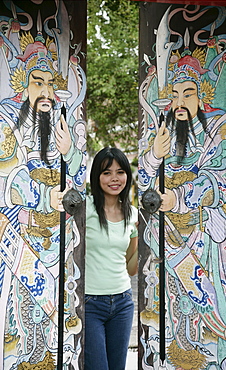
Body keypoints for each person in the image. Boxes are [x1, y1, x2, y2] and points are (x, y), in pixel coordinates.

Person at [139, 52, 226, 368]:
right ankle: (174, 353)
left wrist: (180, 197)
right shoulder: (161, 135)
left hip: (200, 233)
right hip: (166, 235)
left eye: (189, 93)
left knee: (196, 300)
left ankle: (205, 350)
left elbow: (219, 183)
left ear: (200, 97)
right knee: (170, 299)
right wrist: (154, 156)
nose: (181, 102)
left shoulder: (216, 137)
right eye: (175, 95)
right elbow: (144, 186)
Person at [0, 30, 86, 368]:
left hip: (57, 242)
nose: (47, 92)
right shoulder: (7, 122)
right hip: (18, 237)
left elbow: (78, 189)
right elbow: (6, 179)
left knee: (52, 317)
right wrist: (40, 197)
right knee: (21, 313)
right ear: (23, 85)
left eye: (51, 84)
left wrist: (72, 155)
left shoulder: (61, 127)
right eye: (38, 82)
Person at [84, 147, 138, 370]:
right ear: (97, 176)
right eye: (106, 172)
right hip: (89, 304)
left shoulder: (133, 214)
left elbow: (132, 268)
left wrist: (144, 239)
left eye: (120, 172)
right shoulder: (84, 208)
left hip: (123, 303)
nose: (114, 178)